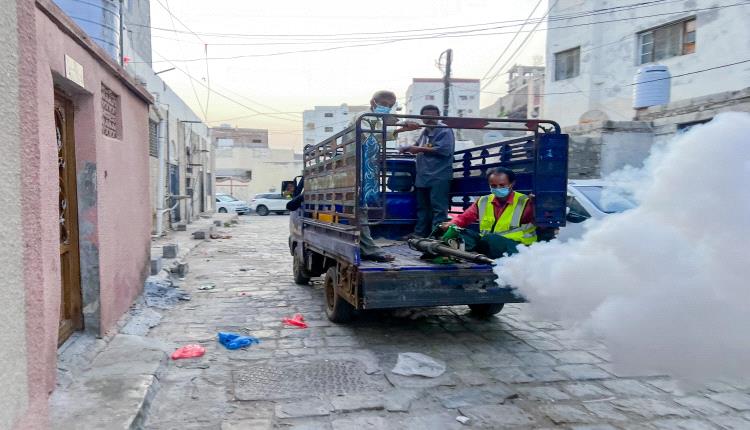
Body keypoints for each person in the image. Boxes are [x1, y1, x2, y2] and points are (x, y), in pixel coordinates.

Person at [440, 167, 536, 258]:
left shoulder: (525, 201)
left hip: (518, 247)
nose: (498, 188)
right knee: (456, 232)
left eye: (502, 185)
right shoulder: (483, 201)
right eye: (493, 186)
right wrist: (451, 224)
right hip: (488, 243)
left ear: (512, 184)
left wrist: (535, 204)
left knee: (490, 239)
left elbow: (537, 220)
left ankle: (470, 250)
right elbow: (465, 217)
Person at [399, 105, 455, 238]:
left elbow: (444, 150)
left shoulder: (445, 130)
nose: (430, 119)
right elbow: (417, 147)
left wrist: (418, 149)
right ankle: (420, 233)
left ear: (438, 116)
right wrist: (407, 148)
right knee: (422, 207)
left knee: (438, 208)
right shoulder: (424, 132)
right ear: (421, 118)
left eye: (433, 116)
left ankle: (436, 236)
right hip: (423, 176)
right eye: (426, 116)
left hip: (439, 175)